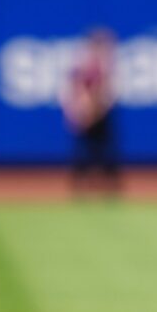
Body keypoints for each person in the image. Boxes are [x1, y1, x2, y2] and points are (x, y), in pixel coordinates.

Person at [59, 27, 120, 197]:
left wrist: (98, 111)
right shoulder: (83, 66)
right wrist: (76, 111)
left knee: (106, 151)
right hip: (85, 116)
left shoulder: (106, 67)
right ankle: (78, 186)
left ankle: (111, 187)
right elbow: (71, 91)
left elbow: (109, 94)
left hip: (101, 116)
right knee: (83, 151)